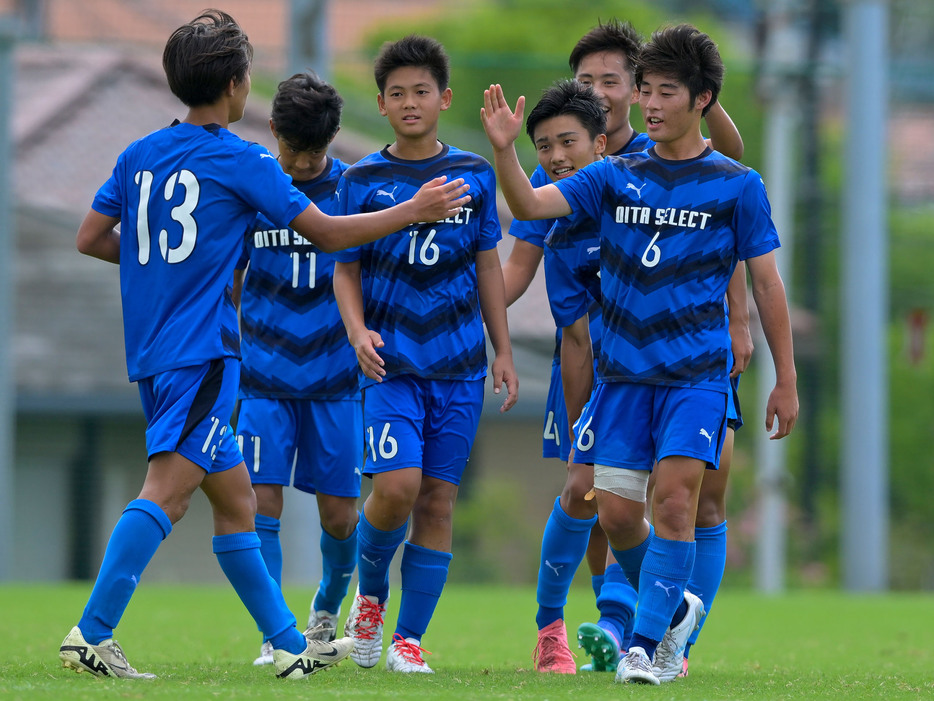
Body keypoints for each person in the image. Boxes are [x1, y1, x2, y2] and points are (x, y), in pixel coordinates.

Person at [58, 10, 469, 681]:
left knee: (237, 502)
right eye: (248, 75)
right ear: (231, 85)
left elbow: (92, 238)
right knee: (166, 491)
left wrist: (167, 276)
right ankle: (93, 631)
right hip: (207, 356)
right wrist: (413, 210)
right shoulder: (240, 158)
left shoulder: (138, 154)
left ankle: (286, 642)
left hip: (156, 351)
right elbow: (331, 235)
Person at [481, 21, 798, 687]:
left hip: (696, 378)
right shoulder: (612, 175)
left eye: (664, 92)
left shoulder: (737, 185)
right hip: (620, 379)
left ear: (702, 99)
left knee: (679, 500)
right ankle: (672, 603)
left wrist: (784, 378)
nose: (649, 104)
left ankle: (649, 645)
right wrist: (508, 153)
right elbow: (530, 203)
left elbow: (767, 281)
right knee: (618, 511)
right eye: (645, 90)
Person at [333, 34, 518, 674]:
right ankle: (371, 596)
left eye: (421, 92)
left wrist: (502, 349)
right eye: (396, 94)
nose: (409, 103)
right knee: (395, 489)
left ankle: (408, 641)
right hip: (391, 367)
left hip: (460, 366)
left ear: (444, 98)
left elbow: (488, 266)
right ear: (380, 105)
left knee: (437, 503)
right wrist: (357, 332)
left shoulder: (472, 173)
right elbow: (344, 268)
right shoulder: (360, 179)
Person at [231, 71, 362, 667]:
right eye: (294, 150)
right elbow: (229, 274)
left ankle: (329, 602)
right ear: (274, 130)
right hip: (265, 379)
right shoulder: (253, 186)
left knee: (340, 516)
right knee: (262, 504)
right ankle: (276, 634)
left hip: (336, 381)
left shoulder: (353, 192)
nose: (305, 163)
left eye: (316, 152)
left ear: (332, 139)